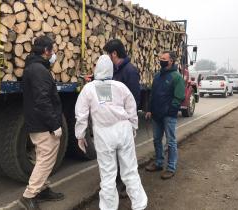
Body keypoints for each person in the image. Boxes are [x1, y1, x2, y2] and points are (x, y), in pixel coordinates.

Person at [75, 55, 147, 210]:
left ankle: (108, 207)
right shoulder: (120, 86)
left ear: (96, 69)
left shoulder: (89, 88)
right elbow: (131, 108)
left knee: (108, 174)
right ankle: (139, 205)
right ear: (111, 69)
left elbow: (81, 115)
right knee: (130, 170)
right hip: (123, 129)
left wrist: (80, 135)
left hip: (103, 133)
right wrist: (133, 126)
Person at [19, 35, 64, 210]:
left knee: (41, 157)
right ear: (46, 51)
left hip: (37, 121)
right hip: (43, 124)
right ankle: (28, 195)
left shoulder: (34, 67)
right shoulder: (39, 70)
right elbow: (43, 100)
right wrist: (54, 125)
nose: (53, 54)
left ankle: (42, 189)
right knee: (46, 159)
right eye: (52, 50)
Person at [103, 39, 141, 198]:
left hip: (123, 122)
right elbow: (107, 94)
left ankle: (127, 186)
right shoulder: (114, 71)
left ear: (114, 54)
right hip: (113, 121)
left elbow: (134, 100)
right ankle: (117, 182)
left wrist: (129, 123)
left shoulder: (130, 71)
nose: (106, 58)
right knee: (114, 155)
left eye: (107, 54)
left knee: (125, 156)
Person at [145, 51, 185, 180]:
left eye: (163, 58)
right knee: (157, 140)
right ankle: (158, 163)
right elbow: (153, 94)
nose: (160, 60)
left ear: (171, 61)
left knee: (171, 142)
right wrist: (149, 109)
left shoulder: (176, 77)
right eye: (160, 58)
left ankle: (171, 168)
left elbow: (179, 97)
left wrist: (170, 111)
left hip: (168, 116)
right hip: (156, 115)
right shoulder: (157, 76)